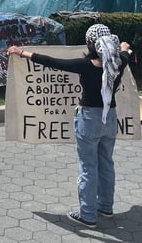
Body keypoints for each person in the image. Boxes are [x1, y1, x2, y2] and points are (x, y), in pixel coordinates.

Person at [7, 24, 131, 229]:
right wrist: (124, 48)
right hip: (110, 118)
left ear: (91, 44)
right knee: (106, 163)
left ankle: (88, 215)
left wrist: (22, 52)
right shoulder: (119, 63)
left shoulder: (85, 65)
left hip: (89, 118)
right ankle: (105, 207)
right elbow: (125, 52)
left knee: (88, 167)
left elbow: (52, 62)